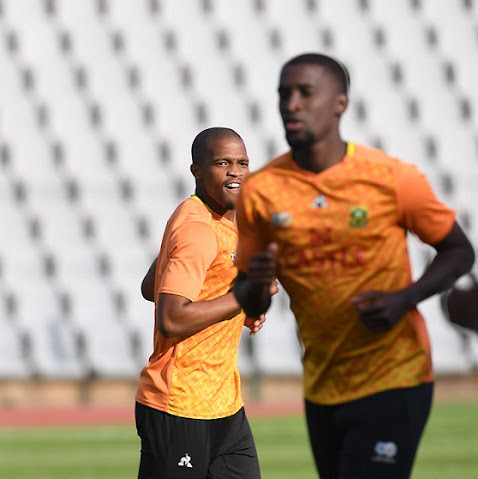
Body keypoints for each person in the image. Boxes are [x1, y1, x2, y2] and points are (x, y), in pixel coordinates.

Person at [233, 53, 475, 479]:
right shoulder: (261, 191)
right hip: (323, 382)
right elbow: (252, 302)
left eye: (306, 93)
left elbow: (459, 251)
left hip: (395, 374)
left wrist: (405, 299)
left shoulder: (389, 177)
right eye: (284, 94)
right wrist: (256, 285)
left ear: (339, 103)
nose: (291, 104)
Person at [135, 127, 266, 479]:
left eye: (242, 162)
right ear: (196, 170)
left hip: (224, 405)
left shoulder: (221, 219)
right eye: (222, 162)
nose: (236, 171)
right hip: (180, 405)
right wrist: (241, 297)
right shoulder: (197, 228)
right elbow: (172, 319)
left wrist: (241, 307)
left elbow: (152, 286)